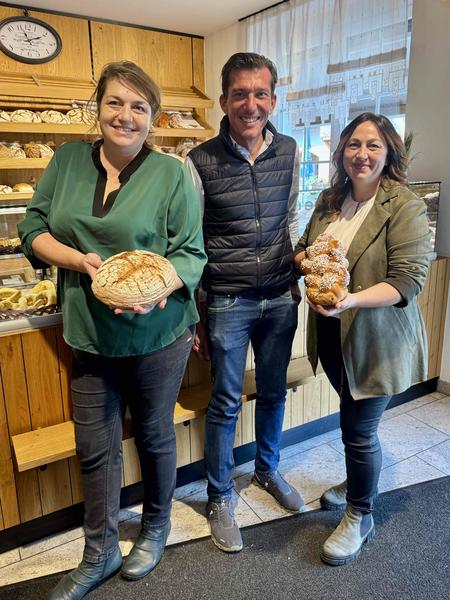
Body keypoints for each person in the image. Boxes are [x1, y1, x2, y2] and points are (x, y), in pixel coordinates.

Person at [18, 60, 206, 599]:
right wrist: (78, 261)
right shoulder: (67, 161)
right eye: (115, 102)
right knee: (94, 445)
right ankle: (99, 551)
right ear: (97, 107)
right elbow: (32, 227)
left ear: (153, 117)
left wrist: (159, 289)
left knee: (153, 433)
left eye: (139, 106)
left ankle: (155, 527)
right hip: (89, 333)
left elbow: (190, 253)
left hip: (158, 333)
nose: (125, 116)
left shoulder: (171, 173)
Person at [294, 112, 432, 566]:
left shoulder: (404, 205)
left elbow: (408, 280)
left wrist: (350, 299)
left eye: (373, 145)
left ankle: (359, 515)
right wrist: (308, 265)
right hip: (332, 334)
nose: (362, 154)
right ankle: (358, 482)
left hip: (376, 341)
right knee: (351, 418)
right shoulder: (329, 200)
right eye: (354, 144)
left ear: (389, 152)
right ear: (342, 152)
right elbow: (303, 247)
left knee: (358, 430)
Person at [185, 52, 304, 554]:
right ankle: (219, 496)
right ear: (223, 100)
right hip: (227, 301)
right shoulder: (199, 161)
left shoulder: (290, 149)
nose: (250, 104)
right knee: (226, 401)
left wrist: (298, 273)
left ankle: (268, 470)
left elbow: (291, 217)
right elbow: (191, 239)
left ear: (273, 100)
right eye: (240, 94)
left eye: (260, 94)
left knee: (273, 392)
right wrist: (197, 311)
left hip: (279, 296)